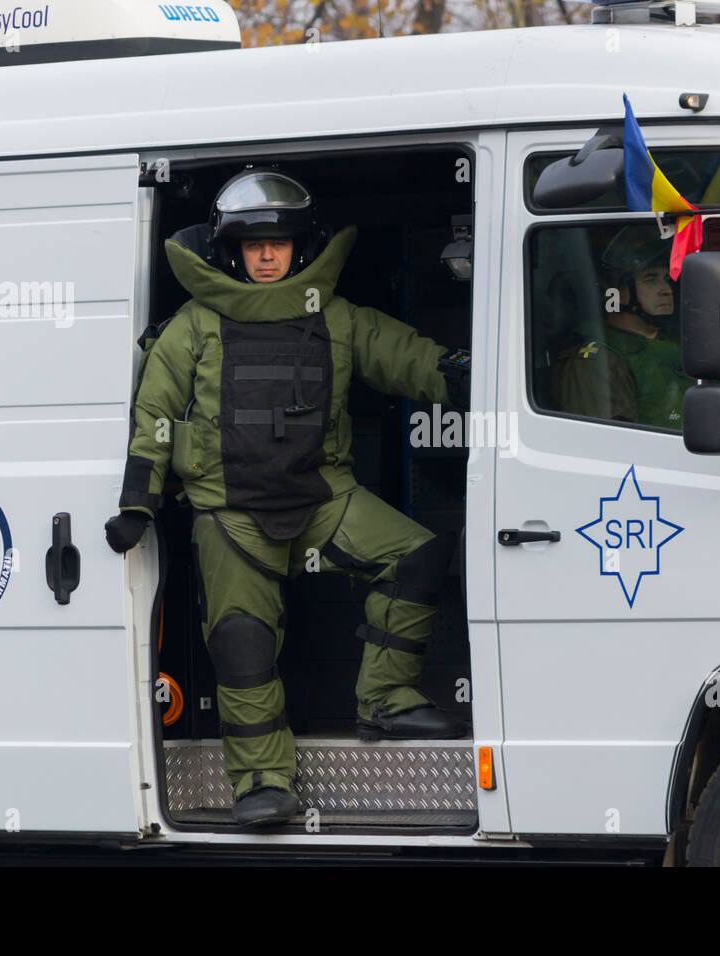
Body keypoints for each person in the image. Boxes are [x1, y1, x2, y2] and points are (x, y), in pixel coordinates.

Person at [104, 168, 470, 828]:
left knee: (416, 557)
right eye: (253, 245)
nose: (267, 255)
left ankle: (385, 695)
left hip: (322, 494)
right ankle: (262, 782)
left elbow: (400, 354)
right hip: (229, 512)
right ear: (231, 251)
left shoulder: (334, 316)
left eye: (278, 243)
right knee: (242, 645)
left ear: (301, 246)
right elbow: (154, 412)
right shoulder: (195, 324)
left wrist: (457, 373)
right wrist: (139, 501)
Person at [551, 226, 694, 428]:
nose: (666, 290)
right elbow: (612, 447)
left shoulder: (673, 343)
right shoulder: (595, 362)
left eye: (667, 279)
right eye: (651, 279)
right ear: (615, 292)